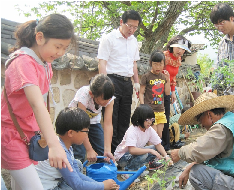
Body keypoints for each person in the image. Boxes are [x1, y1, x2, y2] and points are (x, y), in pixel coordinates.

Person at [1, 14, 75, 190]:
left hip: (27, 134)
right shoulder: (23, 62)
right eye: (57, 46)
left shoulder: (43, 62)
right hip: (11, 135)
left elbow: (41, 105)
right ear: (40, 37)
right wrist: (54, 144)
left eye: (64, 48)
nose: (60, 53)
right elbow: (36, 104)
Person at [36, 107, 119, 190]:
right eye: (85, 132)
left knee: (78, 164)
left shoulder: (63, 144)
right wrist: (102, 186)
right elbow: (77, 184)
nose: (87, 136)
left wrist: (99, 184)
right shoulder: (61, 152)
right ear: (70, 133)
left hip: (56, 184)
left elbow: (77, 175)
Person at [97, 10, 142, 154]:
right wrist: (105, 85)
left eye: (135, 27)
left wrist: (136, 82)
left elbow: (134, 63)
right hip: (112, 81)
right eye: (129, 26)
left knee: (124, 120)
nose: (132, 30)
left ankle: (120, 154)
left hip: (127, 83)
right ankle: (109, 153)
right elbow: (102, 63)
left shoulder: (134, 41)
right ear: (121, 22)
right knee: (111, 119)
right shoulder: (109, 38)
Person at [114, 104, 173, 180]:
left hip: (133, 154)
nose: (150, 122)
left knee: (156, 148)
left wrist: (166, 156)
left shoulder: (149, 129)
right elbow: (132, 150)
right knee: (145, 153)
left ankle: (138, 169)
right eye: (147, 120)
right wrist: (150, 150)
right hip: (122, 157)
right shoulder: (133, 130)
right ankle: (129, 171)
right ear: (140, 119)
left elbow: (158, 144)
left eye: (151, 119)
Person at [69, 74, 115, 163]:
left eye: (108, 100)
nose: (106, 103)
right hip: (76, 124)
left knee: (103, 154)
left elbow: (108, 124)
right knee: (79, 152)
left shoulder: (109, 99)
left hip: (93, 122)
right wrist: (89, 149)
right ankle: (75, 173)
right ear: (92, 94)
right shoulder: (84, 94)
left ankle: (100, 175)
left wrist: (108, 150)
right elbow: (81, 124)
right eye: (103, 100)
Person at [161, 35, 192, 152]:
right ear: (172, 46)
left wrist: (173, 92)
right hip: (158, 91)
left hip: (168, 91)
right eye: (179, 48)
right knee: (160, 118)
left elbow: (173, 78)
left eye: (184, 49)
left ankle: (168, 144)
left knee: (166, 116)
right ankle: (161, 145)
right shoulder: (164, 56)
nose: (181, 51)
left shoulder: (178, 60)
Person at [139, 50, 170, 138]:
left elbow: (167, 93)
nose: (158, 67)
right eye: (155, 64)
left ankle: (155, 151)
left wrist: (168, 80)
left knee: (159, 136)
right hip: (150, 111)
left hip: (161, 110)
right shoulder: (146, 76)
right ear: (150, 63)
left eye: (160, 64)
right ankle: (151, 151)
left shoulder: (163, 77)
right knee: (152, 136)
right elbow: (141, 93)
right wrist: (142, 106)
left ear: (164, 64)